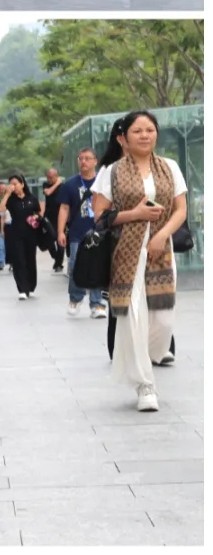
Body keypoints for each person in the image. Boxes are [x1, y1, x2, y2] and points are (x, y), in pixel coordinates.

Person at [91, 111, 187, 412]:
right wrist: (135, 214)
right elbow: (100, 216)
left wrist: (162, 235)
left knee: (163, 320)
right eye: (137, 131)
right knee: (133, 317)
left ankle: (143, 356)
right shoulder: (111, 172)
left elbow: (180, 209)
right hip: (126, 254)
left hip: (161, 252)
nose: (144, 135)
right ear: (124, 137)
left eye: (149, 130)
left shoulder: (170, 167)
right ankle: (145, 385)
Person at [56, 148, 107, 318]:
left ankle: (97, 304)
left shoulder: (103, 183)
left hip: (99, 232)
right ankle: (75, 298)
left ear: (95, 161)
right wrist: (60, 231)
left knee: (97, 267)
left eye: (87, 158)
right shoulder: (70, 184)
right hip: (78, 233)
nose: (83, 161)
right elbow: (64, 209)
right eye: (80, 158)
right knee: (75, 266)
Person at [0, 174, 41, 300]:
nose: (13, 186)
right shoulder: (11, 200)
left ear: (22, 184)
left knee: (30, 260)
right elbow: (1, 209)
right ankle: (22, 289)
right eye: (11, 184)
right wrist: (7, 194)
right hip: (16, 234)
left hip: (31, 233)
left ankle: (31, 286)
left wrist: (36, 217)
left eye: (15, 183)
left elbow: (38, 212)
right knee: (19, 260)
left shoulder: (31, 198)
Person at [41, 167, 66, 272]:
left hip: (60, 216)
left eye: (51, 177)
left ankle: (59, 263)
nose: (49, 179)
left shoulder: (63, 186)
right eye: (48, 177)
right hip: (48, 216)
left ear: (56, 176)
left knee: (60, 239)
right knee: (49, 238)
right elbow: (48, 193)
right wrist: (57, 183)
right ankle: (56, 257)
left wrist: (59, 183)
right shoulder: (46, 185)